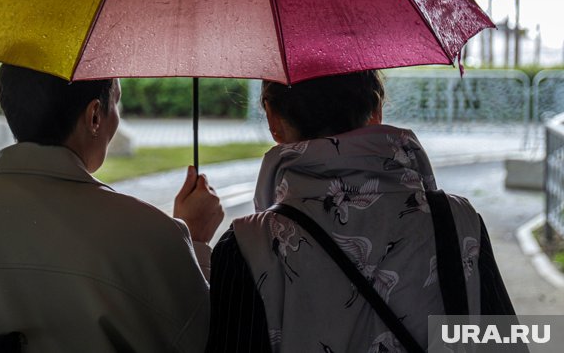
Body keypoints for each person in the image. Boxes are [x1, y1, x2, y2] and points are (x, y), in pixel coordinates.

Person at [0, 64, 224, 352]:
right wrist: (192, 244)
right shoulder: (151, 235)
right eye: (115, 102)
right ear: (94, 117)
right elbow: (208, 340)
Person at [206, 70, 515, 352]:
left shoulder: (247, 247)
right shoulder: (459, 221)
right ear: (376, 111)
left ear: (273, 120)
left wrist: (193, 236)